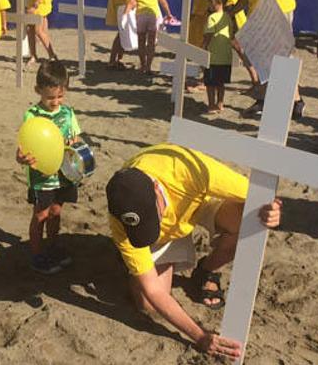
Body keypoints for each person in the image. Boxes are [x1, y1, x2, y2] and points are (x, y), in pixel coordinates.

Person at [106, 144, 282, 357]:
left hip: (197, 203)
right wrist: (199, 336)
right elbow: (154, 291)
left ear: (156, 189)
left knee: (251, 217)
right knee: (148, 304)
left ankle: (206, 270)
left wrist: (272, 210)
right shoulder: (120, 219)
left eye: (154, 217)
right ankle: (135, 260)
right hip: (167, 230)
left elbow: (259, 196)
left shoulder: (189, 170)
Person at [15, 61, 81, 274]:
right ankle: (36, 255)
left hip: (63, 174)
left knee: (56, 211)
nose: (55, 102)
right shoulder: (32, 115)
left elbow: (76, 138)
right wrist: (22, 159)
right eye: (50, 97)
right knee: (41, 214)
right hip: (42, 175)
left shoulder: (68, 113)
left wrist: (75, 146)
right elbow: (23, 147)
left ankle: (52, 247)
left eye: (60, 97)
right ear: (38, 91)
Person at [125, 0, 173, 74]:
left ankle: (142, 66)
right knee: (151, 43)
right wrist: (169, 14)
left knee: (141, 42)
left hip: (140, 16)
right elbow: (163, 1)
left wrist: (125, 15)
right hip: (153, 15)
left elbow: (131, 2)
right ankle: (148, 67)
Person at [202, 0, 243, 114]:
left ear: (216, 1)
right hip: (226, 57)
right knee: (221, 83)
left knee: (210, 83)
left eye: (210, 2)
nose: (209, 5)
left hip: (213, 56)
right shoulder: (228, 17)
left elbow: (208, 35)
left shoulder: (212, 17)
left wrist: (203, 47)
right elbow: (231, 36)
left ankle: (211, 104)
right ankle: (220, 103)